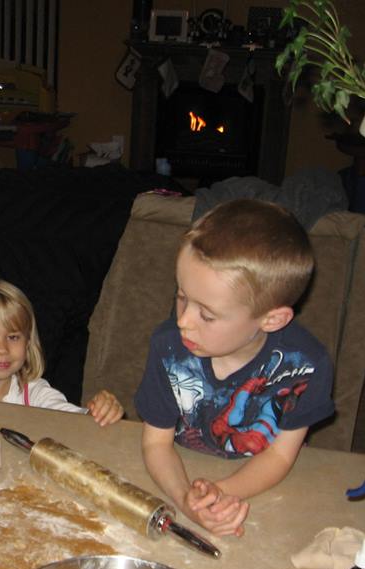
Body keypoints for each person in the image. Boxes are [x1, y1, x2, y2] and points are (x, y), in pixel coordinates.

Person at [135, 199, 335, 538]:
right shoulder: (168, 347)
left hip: (260, 486)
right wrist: (186, 499)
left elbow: (281, 457)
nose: (183, 321)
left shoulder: (306, 366)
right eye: (181, 296)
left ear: (272, 319)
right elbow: (155, 444)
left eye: (207, 315)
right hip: (178, 468)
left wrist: (220, 493)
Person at [0, 278, 124, 425]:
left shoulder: (35, 394)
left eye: (13, 337)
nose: (2, 349)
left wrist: (101, 411)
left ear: (28, 342)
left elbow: (75, 422)